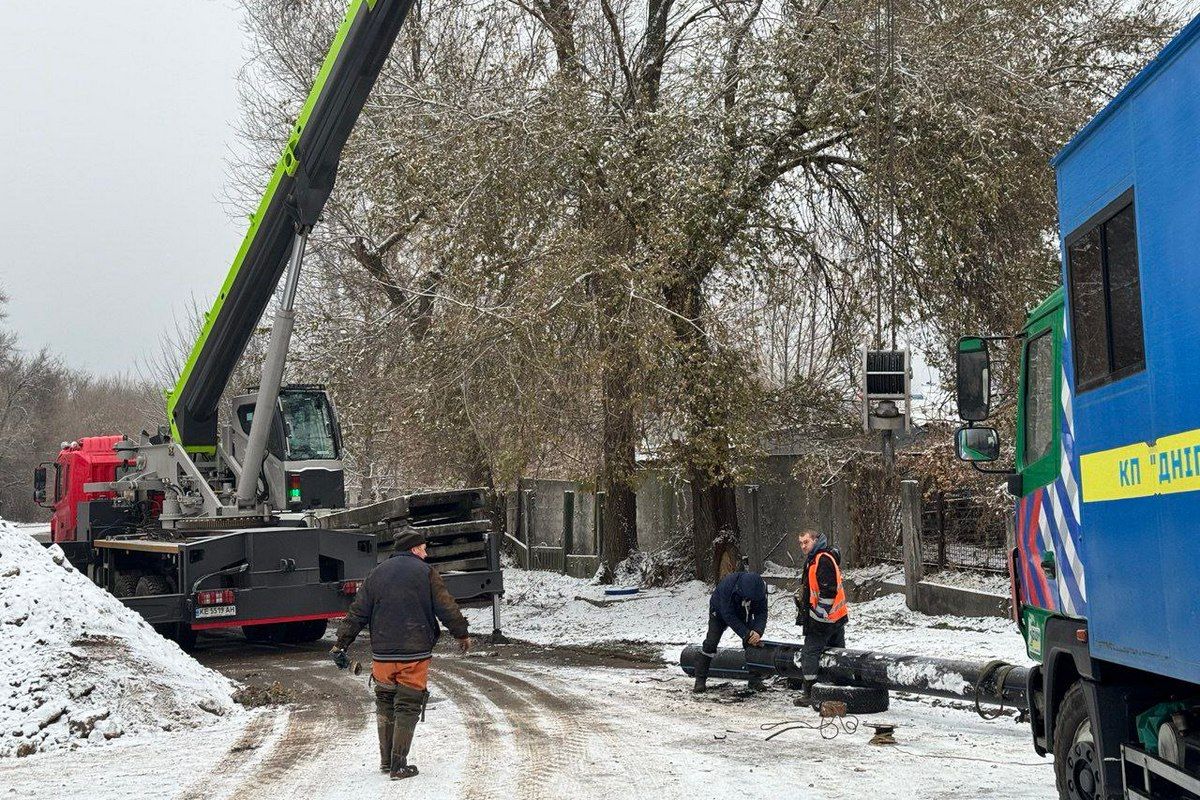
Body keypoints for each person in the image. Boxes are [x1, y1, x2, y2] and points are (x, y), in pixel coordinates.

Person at [330, 528, 470, 780]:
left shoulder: (376, 574)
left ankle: (385, 762)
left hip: (382, 653)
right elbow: (446, 607)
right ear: (414, 549)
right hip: (414, 652)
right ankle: (398, 765)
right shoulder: (426, 573)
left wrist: (341, 644)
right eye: (423, 549)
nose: (426, 553)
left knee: (385, 702)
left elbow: (357, 613)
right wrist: (461, 632)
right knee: (407, 705)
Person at [793, 528, 849, 706]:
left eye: (806, 542)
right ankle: (839, 688)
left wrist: (818, 615)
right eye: (801, 543)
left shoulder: (821, 560)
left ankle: (810, 693)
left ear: (815, 540)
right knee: (837, 651)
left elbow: (828, 590)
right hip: (836, 617)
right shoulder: (820, 558)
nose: (803, 546)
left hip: (824, 619)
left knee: (809, 652)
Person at [693, 569, 769, 693]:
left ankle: (755, 679)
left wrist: (757, 631)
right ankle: (700, 679)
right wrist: (746, 633)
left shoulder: (759, 591)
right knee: (711, 643)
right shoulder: (727, 586)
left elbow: (762, 612)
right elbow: (728, 615)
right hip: (719, 612)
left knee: (752, 643)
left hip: (744, 611)